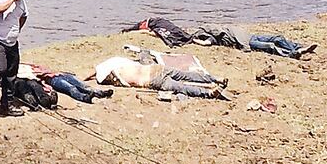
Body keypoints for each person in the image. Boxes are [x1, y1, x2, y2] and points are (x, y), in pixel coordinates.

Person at [89, 56, 227, 99]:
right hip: (155, 72)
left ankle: (211, 86)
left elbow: (97, 74)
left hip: (154, 76)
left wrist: (87, 77)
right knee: (183, 81)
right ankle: (212, 83)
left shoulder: (115, 72)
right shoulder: (118, 64)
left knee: (182, 84)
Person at [24, 65, 113, 104]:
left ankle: (100, 93)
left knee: (83, 85)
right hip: (52, 79)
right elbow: (37, 80)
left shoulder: (33, 66)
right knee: (71, 88)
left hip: (61, 75)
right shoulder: (27, 73)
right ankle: (84, 98)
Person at [248, 34, 317, 59]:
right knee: (271, 46)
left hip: (253, 37)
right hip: (250, 41)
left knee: (279, 38)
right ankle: (295, 52)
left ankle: (298, 48)